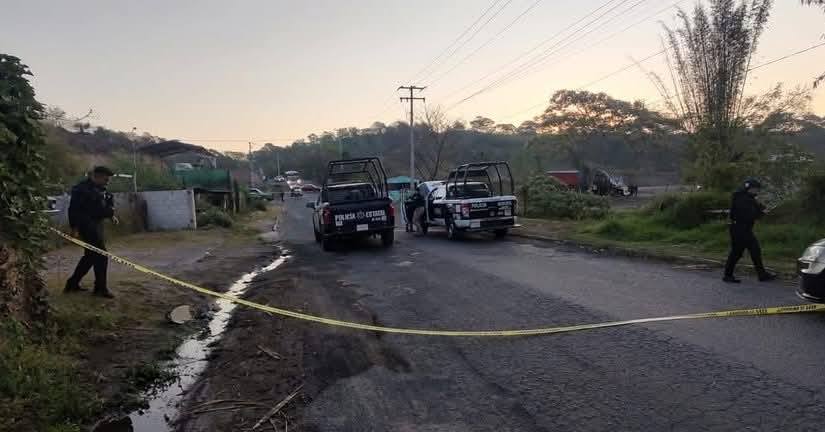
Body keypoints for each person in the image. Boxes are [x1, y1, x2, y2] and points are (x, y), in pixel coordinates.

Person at [65, 166, 118, 298]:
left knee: (90, 256)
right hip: (86, 225)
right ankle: (100, 288)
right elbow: (73, 209)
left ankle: (72, 284)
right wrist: (74, 228)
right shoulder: (81, 189)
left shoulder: (102, 189)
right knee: (102, 255)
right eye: (105, 179)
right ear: (96, 177)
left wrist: (111, 216)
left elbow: (105, 205)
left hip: (97, 224)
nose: (107, 182)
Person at [723, 178, 777, 283]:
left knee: (742, 252)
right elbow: (748, 215)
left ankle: (729, 275)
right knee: (748, 251)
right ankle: (761, 275)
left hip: (743, 229)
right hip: (739, 229)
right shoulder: (741, 199)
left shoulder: (748, 198)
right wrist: (761, 213)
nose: (757, 191)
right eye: (756, 189)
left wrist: (764, 208)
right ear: (749, 188)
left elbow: (757, 209)